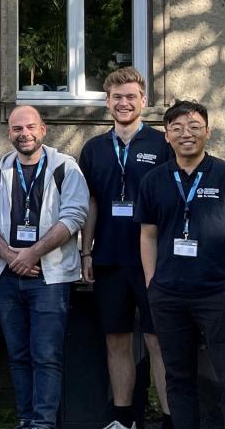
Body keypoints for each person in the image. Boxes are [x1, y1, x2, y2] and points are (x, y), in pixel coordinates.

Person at [137, 100, 225, 429]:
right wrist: (152, 282)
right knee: (177, 378)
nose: (185, 134)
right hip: (169, 295)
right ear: (167, 136)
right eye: (176, 129)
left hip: (218, 294)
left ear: (207, 132)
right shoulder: (153, 180)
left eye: (193, 127)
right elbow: (147, 235)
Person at [0, 106, 89, 429]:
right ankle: (25, 418)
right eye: (16, 129)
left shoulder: (66, 168)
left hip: (49, 279)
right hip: (7, 278)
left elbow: (74, 216)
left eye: (29, 127)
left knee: (46, 356)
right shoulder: (1, 169)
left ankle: (43, 422)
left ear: (43, 130)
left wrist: (32, 254)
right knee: (17, 354)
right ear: (9, 133)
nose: (23, 134)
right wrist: (13, 258)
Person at [75, 67, 173, 428]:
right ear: (107, 102)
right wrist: (87, 252)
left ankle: (169, 418)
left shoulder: (162, 145)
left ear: (143, 101)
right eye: (117, 97)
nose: (124, 103)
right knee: (116, 340)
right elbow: (91, 204)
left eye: (131, 96)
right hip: (109, 260)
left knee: (157, 341)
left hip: (153, 263)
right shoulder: (94, 148)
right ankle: (122, 419)